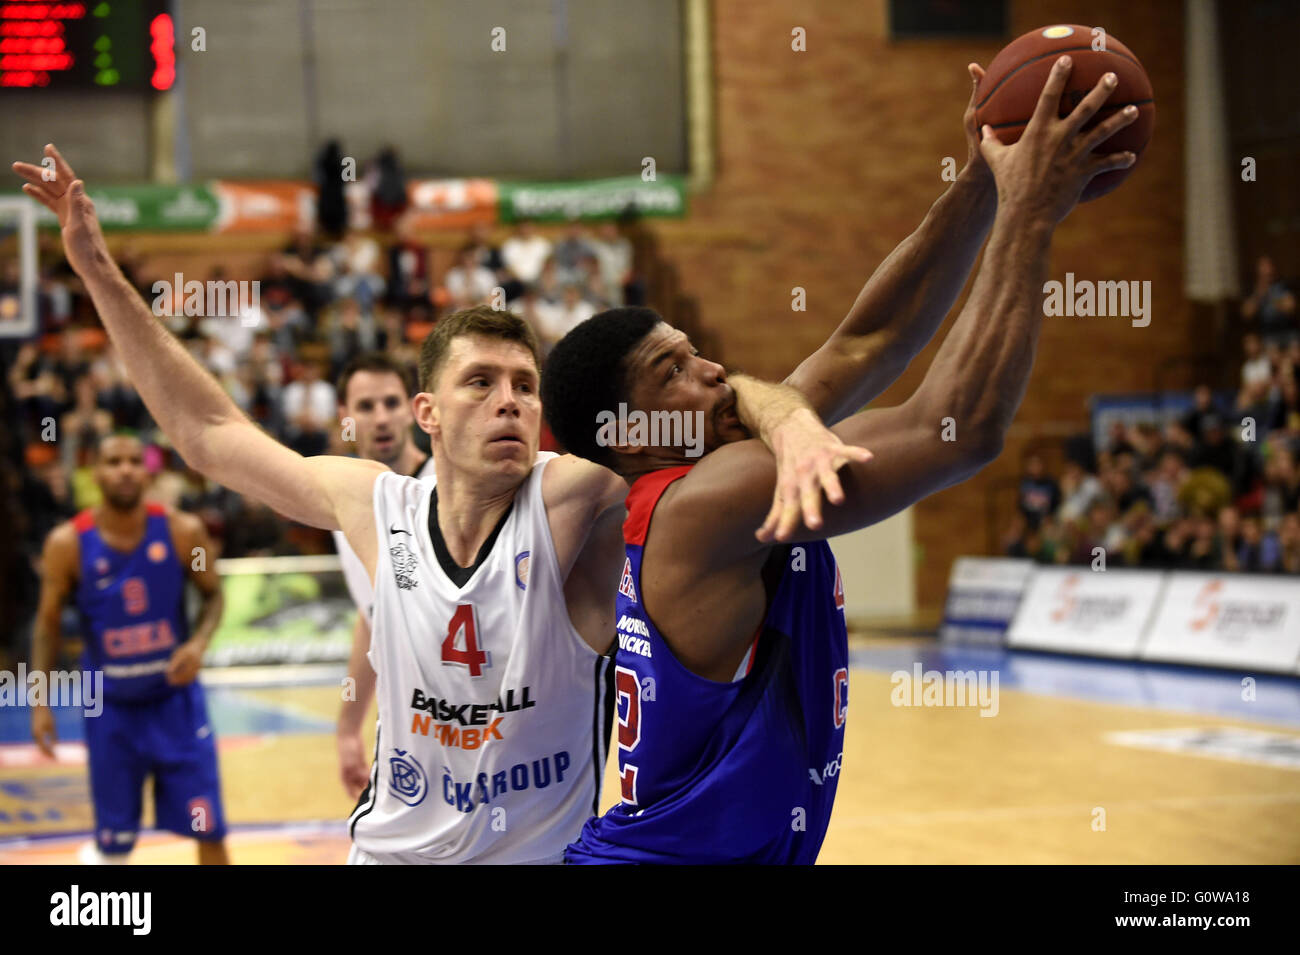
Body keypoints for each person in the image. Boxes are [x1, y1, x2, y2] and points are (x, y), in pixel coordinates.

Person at [14, 144, 847, 864]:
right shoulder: (370, 502)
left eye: (525, 385)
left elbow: (729, 405)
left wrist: (794, 421)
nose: (510, 400)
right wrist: (94, 266)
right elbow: (204, 428)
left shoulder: (584, 491)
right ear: (429, 413)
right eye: (480, 383)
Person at [541, 57, 1139, 863]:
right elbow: (957, 427)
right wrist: (1032, 213)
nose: (712, 371)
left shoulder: (715, 475)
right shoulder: (714, 499)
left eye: (695, 352)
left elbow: (867, 339)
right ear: (627, 435)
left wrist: (981, 184)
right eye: (671, 372)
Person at [30, 433, 229, 864]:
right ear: (95, 473)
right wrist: (40, 701)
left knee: (207, 827)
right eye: (114, 461)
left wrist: (197, 644)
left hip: (175, 704)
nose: (125, 469)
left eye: (135, 461)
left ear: (148, 471)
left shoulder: (184, 532)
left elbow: (213, 595)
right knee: (115, 843)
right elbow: (46, 626)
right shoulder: (67, 544)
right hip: (112, 712)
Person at [331, 352, 434, 799]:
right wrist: (349, 726)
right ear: (345, 417)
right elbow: (372, 616)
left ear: (414, 408)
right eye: (366, 407)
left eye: (392, 403)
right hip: (406, 727)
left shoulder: (447, 486)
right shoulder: (345, 500)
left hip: (472, 721)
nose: (381, 418)